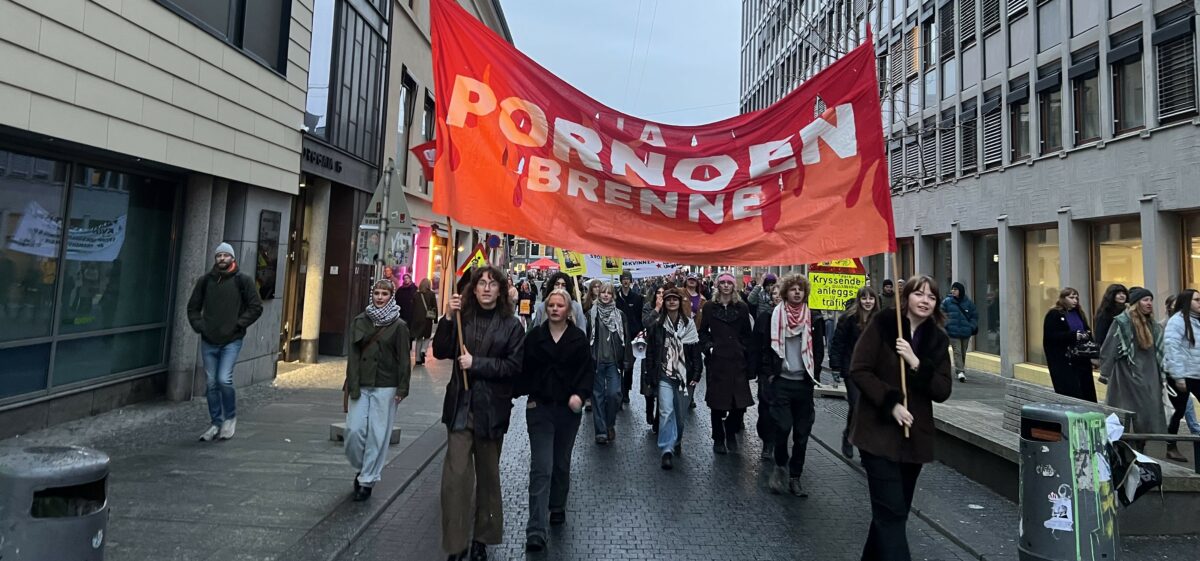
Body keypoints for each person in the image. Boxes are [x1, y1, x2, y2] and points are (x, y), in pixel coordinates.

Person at [849, 275, 953, 561]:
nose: (925, 301)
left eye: (931, 297)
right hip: (877, 435)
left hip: (913, 441)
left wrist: (916, 362)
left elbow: (943, 390)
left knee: (892, 514)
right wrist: (891, 402)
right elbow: (859, 369)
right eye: (919, 294)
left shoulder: (937, 339)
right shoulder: (884, 324)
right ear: (906, 297)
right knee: (891, 514)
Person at [434, 266, 525, 561]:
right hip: (461, 406)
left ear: (500, 290)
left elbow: (513, 367)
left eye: (492, 283)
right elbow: (440, 350)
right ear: (473, 289)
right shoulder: (463, 318)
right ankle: (456, 543)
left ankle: (482, 539)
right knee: (455, 479)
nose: (486, 288)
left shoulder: (512, 326)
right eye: (481, 283)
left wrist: (476, 364)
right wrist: (448, 317)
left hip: (492, 410)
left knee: (488, 479)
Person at [515, 288, 592, 552]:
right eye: (551, 306)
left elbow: (586, 373)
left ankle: (557, 504)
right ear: (545, 309)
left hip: (568, 412)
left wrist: (580, 396)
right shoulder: (535, 337)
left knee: (561, 463)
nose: (555, 309)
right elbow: (523, 369)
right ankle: (536, 528)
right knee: (542, 467)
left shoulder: (578, 339)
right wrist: (520, 393)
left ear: (569, 310)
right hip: (541, 409)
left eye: (560, 305)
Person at [187, 242, 263, 442]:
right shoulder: (205, 281)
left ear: (232, 258)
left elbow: (256, 307)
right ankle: (215, 422)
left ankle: (230, 417)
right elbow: (192, 307)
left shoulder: (242, 281)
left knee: (223, 379)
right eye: (218, 255)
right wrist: (200, 326)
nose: (222, 258)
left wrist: (239, 324)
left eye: (225, 255)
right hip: (209, 340)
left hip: (232, 340)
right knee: (211, 384)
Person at [344, 280, 411, 501]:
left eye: (384, 294)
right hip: (361, 383)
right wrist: (351, 383)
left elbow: (403, 359)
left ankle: (367, 479)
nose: (380, 297)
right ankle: (361, 466)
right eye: (377, 293)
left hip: (386, 384)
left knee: (377, 434)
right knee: (354, 431)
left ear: (391, 296)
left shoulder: (399, 326)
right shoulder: (360, 320)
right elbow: (352, 356)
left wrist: (403, 387)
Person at [761, 274, 825, 496]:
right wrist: (770, 374)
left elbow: (818, 350)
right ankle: (780, 464)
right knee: (782, 427)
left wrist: (814, 375)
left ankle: (795, 477)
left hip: (803, 384)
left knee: (801, 433)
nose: (797, 292)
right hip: (782, 382)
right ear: (786, 292)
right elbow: (766, 348)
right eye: (793, 289)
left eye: (801, 289)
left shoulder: (813, 319)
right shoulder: (774, 315)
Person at [643, 288, 702, 470]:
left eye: (674, 299)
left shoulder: (689, 325)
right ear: (665, 303)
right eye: (668, 300)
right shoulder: (657, 326)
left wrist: (697, 373)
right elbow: (651, 352)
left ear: (680, 302)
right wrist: (650, 374)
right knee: (665, 412)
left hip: (685, 377)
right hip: (664, 375)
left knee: (680, 417)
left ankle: (676, 441)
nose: (671, 302)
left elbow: (695, 352)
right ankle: (666, 450)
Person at [698, 273, 755, 455]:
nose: (725, 286)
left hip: (737, 361)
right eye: (722, 283)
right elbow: (703, 332)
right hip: (718, 361)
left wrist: (743, 349)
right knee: (718, 403)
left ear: (733, 286)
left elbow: (747, 333)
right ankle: (718, 438)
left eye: (728, 283)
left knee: (740, 404)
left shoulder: (742, 308)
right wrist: (709, 348)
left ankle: (730, 431)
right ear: (717, 285)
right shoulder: (708, 307)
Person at [1100, 287, 1168, 437]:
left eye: (1151, 300)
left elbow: (1159, 349)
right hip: (1128, 373)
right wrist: (1104, 372)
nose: (1149, 303)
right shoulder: (1123, 322)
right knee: (1129, 409)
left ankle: (1142, 440)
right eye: (1145, 300)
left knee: (1149, 409)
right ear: (1136, 303)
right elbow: (1109, 346)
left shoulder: (1152, 324)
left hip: (1149, 373)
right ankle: (1127, 441)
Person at [829, 285, 879, 458]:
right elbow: (837, 344)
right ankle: (850, 437)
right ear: (859, 300)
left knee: (868, 409)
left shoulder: (879, 321)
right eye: (864, 298)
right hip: (852, 370)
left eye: (871, 298)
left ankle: (862, 444)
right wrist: (835, 367)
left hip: (873, 372)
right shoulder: (847, 319)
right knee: (856, 405)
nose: (868, 302)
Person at [587, 282, 627, 445]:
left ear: (612, 296)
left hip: (613, 361)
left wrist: (626, 359)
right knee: (597, 397)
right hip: (596, 361)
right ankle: (601, 431)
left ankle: (610, 423)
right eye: (603, 292)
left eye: (609, 293)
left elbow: (626, 338)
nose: (605, 295)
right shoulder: (591, 314)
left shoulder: (620, 315)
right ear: (598, 294)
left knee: (614, 394)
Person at [1041, 288, 1098, 402]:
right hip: (1064, 360)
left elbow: (1087, 331)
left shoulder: (1079, 313)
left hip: (1082, 358)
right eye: (1071, 298)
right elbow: (1051, 336)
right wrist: (1073, 335)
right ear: (1063, 298)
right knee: (1071, 391)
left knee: (1086, 391)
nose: (1075, 300)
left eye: (1076, 298)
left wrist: (1092, 353)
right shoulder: (1054, 314)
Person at [1164, 289, 1200, 462]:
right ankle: (1171, 446)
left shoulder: (1197, 321)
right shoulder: (1177, 321)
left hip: (1197, 372)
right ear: (1187, 302)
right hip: (1182, 374)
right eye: (1197, 300)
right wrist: (1178, 376)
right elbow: (1172, 348)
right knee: (1176, 412)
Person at [751, 283, 784, 460]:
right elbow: (756, 345)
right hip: (767, 370)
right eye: (775, 294)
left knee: (782, 409)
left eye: (780, 294)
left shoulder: (798, 316)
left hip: (786, 372)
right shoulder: (765, 317)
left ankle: (779, 441)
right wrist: (757, 369)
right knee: (766, 408)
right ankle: (767, 442)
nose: (777, 297)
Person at [615, 271, 645, 404]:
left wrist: (639, 331)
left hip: (632, 336)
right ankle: (618, 389)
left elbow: (640, 318)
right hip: (619, 335)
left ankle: (626, 390)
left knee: (629, 366)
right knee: (618, 364)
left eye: (628, 279)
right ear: (621, 281)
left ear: (631, 281)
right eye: (624, 279)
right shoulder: (615, 297)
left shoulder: (637, 298)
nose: (626, 281)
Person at [941, 282, 978, 383]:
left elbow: (974, 316)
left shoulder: (968, 303)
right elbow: (941, 313)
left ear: (960, 291)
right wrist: (946, 325)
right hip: (953, 332)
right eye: (952, 289)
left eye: (955, 289)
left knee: (963, 352)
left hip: (966, 332)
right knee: (957, 351)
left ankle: (960, 369)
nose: (953, 291)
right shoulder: (947, 302)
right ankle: (960, 371)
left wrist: (971, 327)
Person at [410, 278, 437, 365]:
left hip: (417, 319)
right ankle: (424, 349)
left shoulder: (416, 294)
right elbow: (434, 307)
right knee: (427, 336)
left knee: (419, 338)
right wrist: (435, 319)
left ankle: (418, 359)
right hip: (427, 319)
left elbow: (412, 307)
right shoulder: (431, 294)